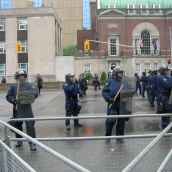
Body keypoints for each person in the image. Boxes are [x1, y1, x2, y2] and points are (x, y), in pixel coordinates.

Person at [6, 69, 38, 151]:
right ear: (17, 77)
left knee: (30, 126)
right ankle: (19, 141)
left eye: (23, 75)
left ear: (25, 76)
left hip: (27, 109)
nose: (21, 77)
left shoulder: (29, 85)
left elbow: (35, 94)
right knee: (17, 125)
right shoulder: (13, 86)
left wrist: (33, 93)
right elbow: (8, 96)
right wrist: (13, 100)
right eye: (20, 76)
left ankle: (32, 143)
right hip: (17, 108)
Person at [102, 66, 131, 143]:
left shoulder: (124, 81)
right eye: (119, 73)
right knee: (110, 121)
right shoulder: (110, 81)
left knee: (121, 122)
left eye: (122, 72)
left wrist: (128, 94)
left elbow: (129, 91)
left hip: (122, 104)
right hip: (113, 103)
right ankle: (107, 136)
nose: (121, 74)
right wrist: (109, 99)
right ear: (115, 73)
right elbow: (104, 91)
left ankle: (120, 137)